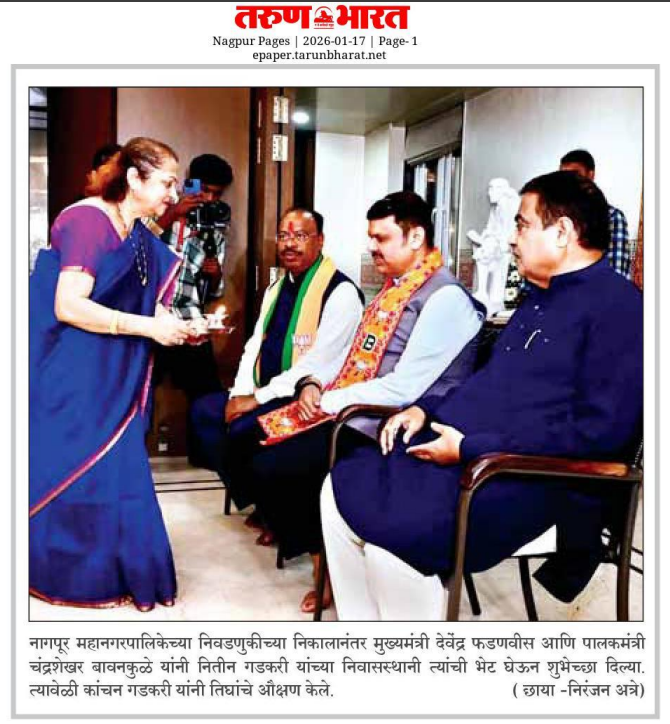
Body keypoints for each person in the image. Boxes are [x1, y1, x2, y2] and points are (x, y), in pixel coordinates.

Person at [322, 171, 643, 620]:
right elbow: (487, 384)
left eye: (522, 225)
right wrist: (424, 409)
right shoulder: (539, 299)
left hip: (537, 476)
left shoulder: (621, 308)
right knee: (337, 490)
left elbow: (600, 432)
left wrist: (471, 447)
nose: (512, 239)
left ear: (563, 232)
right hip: (476, 451)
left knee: (397, 537)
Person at [246, 191, 486, 613]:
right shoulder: (392, 290)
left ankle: (326, 571)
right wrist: (314, 383)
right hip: (359, 409)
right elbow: (352, 355)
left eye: (382, 238)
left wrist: (330, 402)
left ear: (416, 238)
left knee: (282, 464)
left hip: (392, 421)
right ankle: (321, 554)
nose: (372, 247)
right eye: (371, 237)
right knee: (253, 437)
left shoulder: (445, 297)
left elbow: (404, 388)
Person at [29, 137, 196, 612]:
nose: (173, 194)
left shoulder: (137, 232)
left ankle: (122, 573)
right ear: (134, 178)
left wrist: (173, 324)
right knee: (81, 471)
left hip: (112, 370)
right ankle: (70, 576)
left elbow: (140, 298)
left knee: (120, 472)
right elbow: (68, 305)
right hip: (72, 369)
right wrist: (147, 327)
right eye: (166, 183)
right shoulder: (86, 221)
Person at [189, 206, 364, 538]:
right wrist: (239, 394)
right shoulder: (276, 288)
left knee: (245, 430)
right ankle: (261, 501)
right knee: (204, 413)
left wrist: (255, 400)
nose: (289, 244)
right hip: (264, 391)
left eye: (300, 236)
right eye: (283, 235)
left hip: (306, 398)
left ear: (320, 241)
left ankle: (276, 514)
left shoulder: (340, 293)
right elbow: (255, 345)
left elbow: (319, 364)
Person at [151, 154, 234, 404]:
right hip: (150, 319)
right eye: (204, 190)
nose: (209, 199)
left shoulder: (214, 230)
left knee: (208, 397)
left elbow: (214, 292)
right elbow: (136, 247)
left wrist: (215, 274)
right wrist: (172, 215)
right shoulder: (159, 209)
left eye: (217, 194)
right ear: (190, 184)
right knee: (138, 395)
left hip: (190, 320)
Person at [560, 149, 631, 279]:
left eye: (575, 174)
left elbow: (617, 274)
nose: (568, 181)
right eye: (563, 176)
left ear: (590, 175)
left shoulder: (612, 217)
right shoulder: (557, 217)